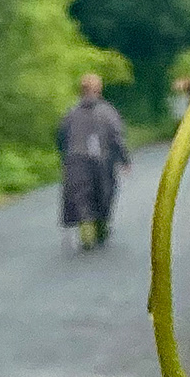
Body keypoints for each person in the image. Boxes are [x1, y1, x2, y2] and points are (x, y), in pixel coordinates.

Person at [57, 73, 130, 251]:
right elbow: (116, 137)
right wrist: (124, 159)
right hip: (102, 161)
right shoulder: (108, 112)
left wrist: (64, 157)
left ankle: (87, 232)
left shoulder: (71, 113)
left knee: (81, 197)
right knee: (104, 194)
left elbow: (61, 137)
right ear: (99, 90)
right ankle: (100, 227)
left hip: (76, 160)